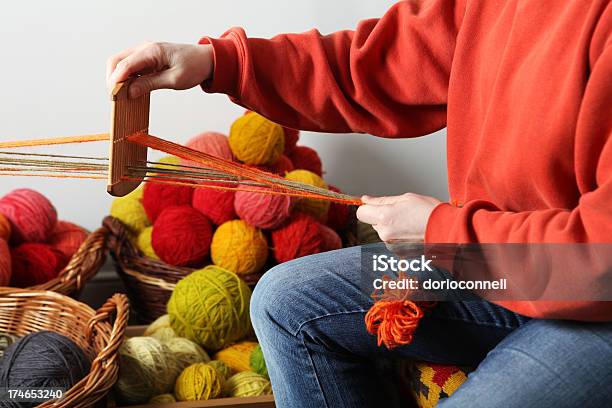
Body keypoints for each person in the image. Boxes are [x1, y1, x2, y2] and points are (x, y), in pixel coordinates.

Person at [107, 1, 612, 406]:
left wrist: (441, 232)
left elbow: (598, 265)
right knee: (288, 303)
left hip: (594, 303)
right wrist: (219, 62)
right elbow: (378, 64)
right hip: (493, 266)